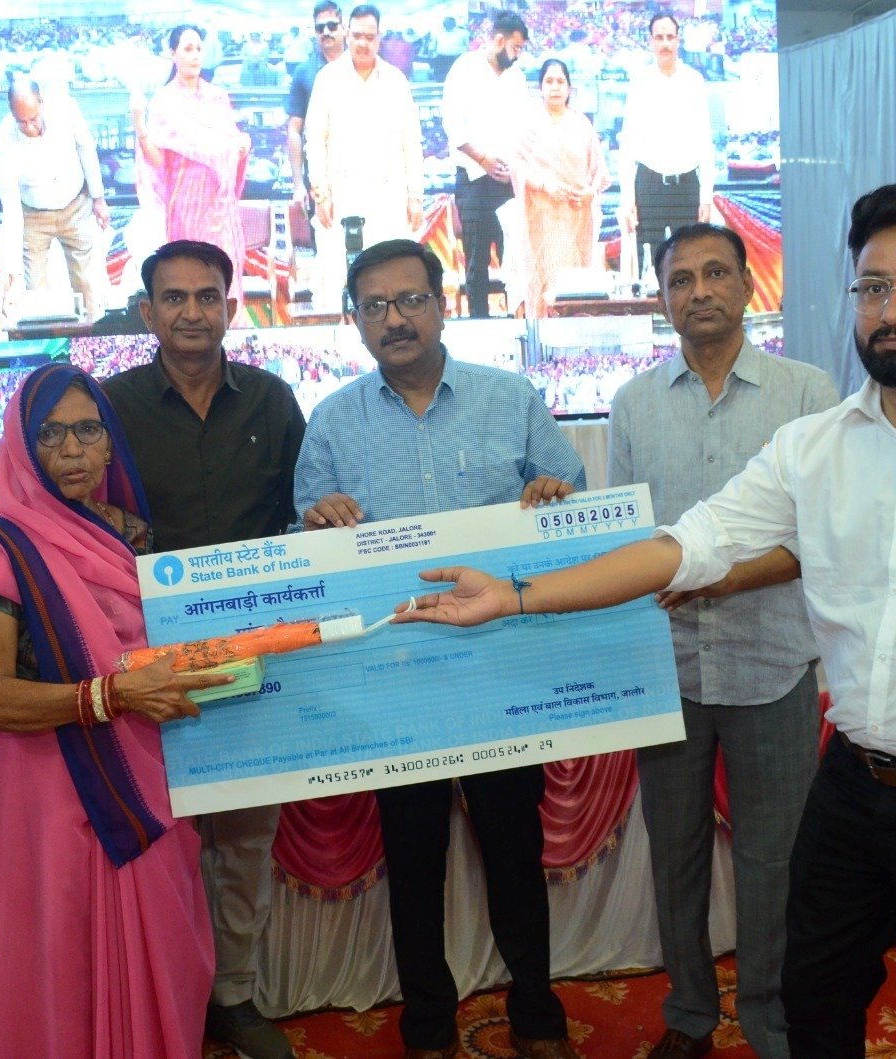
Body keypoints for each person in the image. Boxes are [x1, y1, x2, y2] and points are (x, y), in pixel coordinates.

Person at [394, 184, 896, 1058]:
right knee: (813, 1006)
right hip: (855, 788)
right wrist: (514, 595)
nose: (892, 311)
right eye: (873, 287)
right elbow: (685, 546)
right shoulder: (814, 445)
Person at [295, 238, 581, 1059]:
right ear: (355, 320)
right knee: (413, 862)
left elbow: (575, 507)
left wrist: (552, 498)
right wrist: (317, 524)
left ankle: (537, 1014)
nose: (395, 318)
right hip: (397, 682)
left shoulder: (510, 398)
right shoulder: (333, 422)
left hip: (500, 672)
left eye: (411, 299)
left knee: (514, 853)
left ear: (443, 305)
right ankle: (428, 1025)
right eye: (375, 306)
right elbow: (305, 552)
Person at [0, 363, 227, 1057]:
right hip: (47, 789)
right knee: (64, 955)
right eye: (50, 433)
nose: (72, 449)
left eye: (88, 430)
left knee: (163, 941)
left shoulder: (133, 536)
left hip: (145, 767)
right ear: (20, 447)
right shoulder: (1, 549)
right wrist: (109, 696)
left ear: (109, 444)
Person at [608, 223, 837, 1058]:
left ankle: (771, 1021)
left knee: (776, 861)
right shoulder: (633, 403)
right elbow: (626, 538)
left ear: (748, 285)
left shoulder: (806, 392)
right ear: (662, 296)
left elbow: (825, 534)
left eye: (715, 273)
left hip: (772, 661)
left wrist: (726, 578)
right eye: (681, 279)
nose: (699, 291)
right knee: (675, 857)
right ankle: (690, 1015)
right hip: (664, 667)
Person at [102, 241, 305, 1059]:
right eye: (175, 297)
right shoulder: (109, 405)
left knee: (247, 838)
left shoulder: (272, 400)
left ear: (230, 306)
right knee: (167, 838)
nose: (192, 311)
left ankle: (235, 995)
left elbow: (301, 512)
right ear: (146, 311)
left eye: (207, 296)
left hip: (253, 655)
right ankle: (168, 996)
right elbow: (71, 509)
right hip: (145, 661)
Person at [303, 4, 425, 310]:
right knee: (338, 282)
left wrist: (415, 196)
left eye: (370, 37)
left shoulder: (396, 81)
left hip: (388, 199)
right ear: (347, 33)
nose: (362, 43)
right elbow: (314, 140)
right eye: (357, 35)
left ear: (380, 36)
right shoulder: (328, 79)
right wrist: (321, 194)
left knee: (391, 280)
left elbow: (411, 142)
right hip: (341, 199)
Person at [133, 24, 250, 310]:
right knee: (191, 279)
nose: (195, 55)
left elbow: (231, 145)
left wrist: (241, 148)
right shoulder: (164, 101)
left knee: (224, 280)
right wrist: (139, 127)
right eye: (187, 49)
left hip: (220, 208)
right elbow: (157, 161)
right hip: (186, 208)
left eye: (199, 49)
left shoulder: (217, 97)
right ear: (173, 53)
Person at [0, 80, 113, 321]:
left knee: (87, 285)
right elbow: (11, 206)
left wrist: (98, 198)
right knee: (35, 294)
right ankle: (49, 339)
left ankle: (91, 334)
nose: (29, 128)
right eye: (21, 122)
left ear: (42, 102)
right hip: (32, 216)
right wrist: (13, 274)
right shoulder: (3, 140)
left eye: (33, 119)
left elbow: (86, 149)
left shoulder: (66, 109)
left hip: (76, 206)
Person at [441, 9, 530, 319]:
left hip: (508, 181)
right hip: (474, 178)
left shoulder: (517, 78)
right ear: (499, 40)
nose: (518, 54)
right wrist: (483, 159)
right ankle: (480, 323)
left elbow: (525, 128)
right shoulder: (464, 69)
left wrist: (513, 168)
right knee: (477, 260)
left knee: (513, 257)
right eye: (515, 47)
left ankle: (517, 322)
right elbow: (453, 125)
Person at [512, 59, 608, 320]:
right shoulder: (530, 124)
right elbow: (518, 167)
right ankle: (543, 339)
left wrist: (590, 192)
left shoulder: (581, 124)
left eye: (560, 81)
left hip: (577, 218)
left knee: (575, 284)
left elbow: (599, 169)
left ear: (569, 88)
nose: (554, 87)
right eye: (549, 81)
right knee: (545, 281)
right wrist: (545, 186)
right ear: (540, 87)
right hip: (542, 220)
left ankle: (574, 339)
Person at [617, 15, 715, 266]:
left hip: (687, 186)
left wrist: (706, 196)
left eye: (670, 37)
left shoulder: (694, 81)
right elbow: (628, 142)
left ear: (678, 40)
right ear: (651, 41)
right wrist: (628, 198)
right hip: (649, 185)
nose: (665, 44)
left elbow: (705, 140)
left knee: (690, 265)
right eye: (659, 38)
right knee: (651, 265)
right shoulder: (640, 82)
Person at [286, 2, 346, 220]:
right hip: (319, 178)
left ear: (344, 28)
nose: (326, 32)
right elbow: (294, 130)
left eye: (332, 25)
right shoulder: (304, 73)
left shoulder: (361, 66)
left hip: (359, 172)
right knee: (324, 234)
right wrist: (298, 184)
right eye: (320, 28)